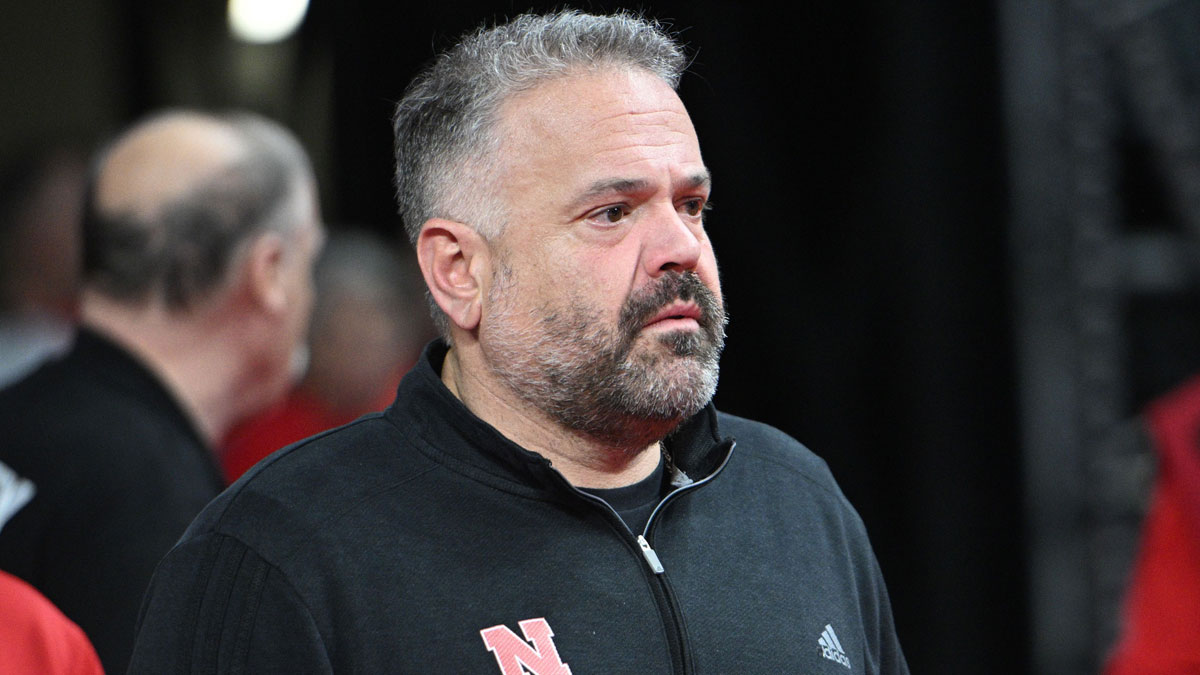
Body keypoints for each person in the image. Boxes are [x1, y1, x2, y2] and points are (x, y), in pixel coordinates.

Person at [129, 12, 908, 673]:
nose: (681, 247)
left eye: (691, 203)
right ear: (459, 271)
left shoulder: (796, 500)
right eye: (612, 212)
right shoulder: (281, 555)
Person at [0, 110, 324, 674]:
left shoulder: (16, 416)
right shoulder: (163, 512)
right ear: (269, 272)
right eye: (309, 261)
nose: (311, 295)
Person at [219, 228, 432, 482]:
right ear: (310, 338)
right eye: (348, 340)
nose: (362, 358)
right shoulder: (263, 433)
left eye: (371, 339)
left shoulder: (429, 410)